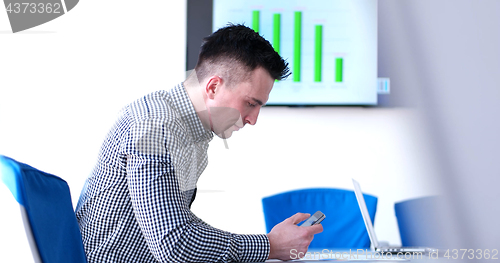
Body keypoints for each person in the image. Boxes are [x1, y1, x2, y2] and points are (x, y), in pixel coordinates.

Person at [75, 24, 323, 263]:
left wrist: (268, 244)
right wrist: (269, 245)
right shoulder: (158, 127)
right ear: (213, 86)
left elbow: (178, 225)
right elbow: (174, 244)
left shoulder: (182, 125)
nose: (253, 119)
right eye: (250, 103)